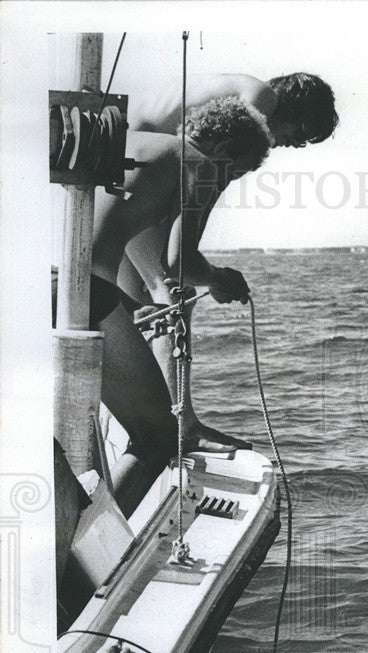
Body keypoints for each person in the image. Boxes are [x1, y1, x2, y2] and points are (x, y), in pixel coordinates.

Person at [53, 97, 271, 516]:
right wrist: (220, 279)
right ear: (225, 151)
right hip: (87, 292)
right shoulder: (201, 164)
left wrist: (137, 304)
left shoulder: (134, 143)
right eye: (236, 172)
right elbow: (180, 262)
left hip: (46, 282)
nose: (227, 181)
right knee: (157, 438)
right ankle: (83, 555)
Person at [128, 71, 339, 148]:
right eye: (300, 134)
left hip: (130, 133)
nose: (296, 145)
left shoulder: (245, 86)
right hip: (136, 140)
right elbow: (216, 167)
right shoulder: (262, 98)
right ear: (294, 109)